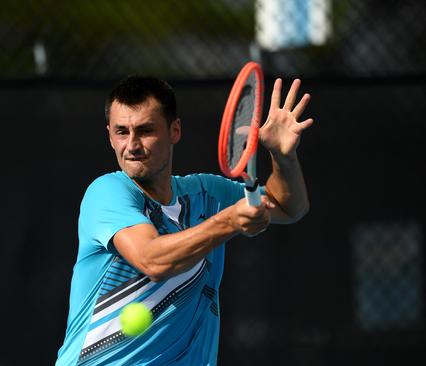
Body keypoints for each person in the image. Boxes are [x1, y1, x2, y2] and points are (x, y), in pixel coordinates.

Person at [56, 75, 313, 365]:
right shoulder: (107, 192)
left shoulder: (207, 193)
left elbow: (289, 207)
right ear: (109, 136)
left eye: (145, 130)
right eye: (121, 132)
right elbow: (153, 260)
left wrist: (283, 157)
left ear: (174, 130)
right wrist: (229, 221)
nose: (132, 145)